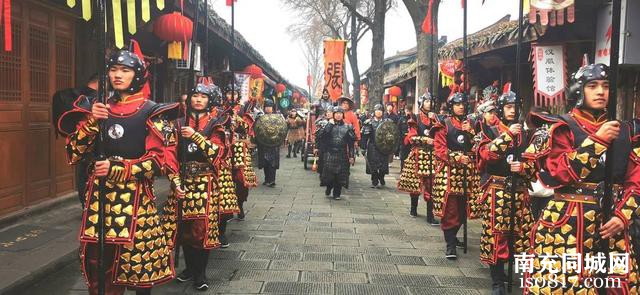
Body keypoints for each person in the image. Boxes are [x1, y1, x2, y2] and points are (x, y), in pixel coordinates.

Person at [57, 46, 179, 295]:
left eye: (125, 70)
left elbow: (159, 162)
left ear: (137, 75)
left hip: (137, 198)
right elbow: (74, 153)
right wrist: (92, 122)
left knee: (139, 269)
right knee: (99, 268)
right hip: (100, 199)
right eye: (113, 69)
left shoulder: (152, 111)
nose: (118, 75)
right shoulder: (96, 107)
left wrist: (117, 168)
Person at [523, 63, 639, 294]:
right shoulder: (561, 127)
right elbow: (559, 172)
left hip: (611, 222)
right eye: (592, 86)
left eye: (606, 86)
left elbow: (635, 181)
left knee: (617, 285)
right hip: (567, 222)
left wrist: (623, 216)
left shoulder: (627, 131)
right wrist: (598, 140)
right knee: (563, 285)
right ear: (579, 90)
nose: (600, 92)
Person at [169, 79, 227, 291]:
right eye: (195, 96)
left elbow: (218, 153)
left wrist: (196, 136)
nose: (199, 99)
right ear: (189, 99)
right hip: (182, 179)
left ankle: (200, 273)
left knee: (201, 230)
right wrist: (174, 178)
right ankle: (190, 268)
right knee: (183, 227)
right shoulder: (177, 123)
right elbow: (169, 154)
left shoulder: (215, 124)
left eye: (203, 97)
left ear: (209, 100)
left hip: (205, 181)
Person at [476, 91, 536, 294]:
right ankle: (497, 280)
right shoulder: (489, 130)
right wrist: (508, 134)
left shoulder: (526, 134)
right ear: (501, 109)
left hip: (519, 190)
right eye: (508, 107)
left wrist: (524, 168)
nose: (512, 110)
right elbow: (487, 156)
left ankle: (514, 273)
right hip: (497, 189)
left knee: (522, 235)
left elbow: (534, 163)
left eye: (515, 106)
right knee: (497, 235)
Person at [431, 93, 482, 260]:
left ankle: (454, 235)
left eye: (463, 104)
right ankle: (450, 243)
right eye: (457, 104)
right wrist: (458, 157)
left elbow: (481, 146)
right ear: (451, 106)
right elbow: (439, 149)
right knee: (450, 209)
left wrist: (472, 133)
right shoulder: (443, 124)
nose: (461, 106)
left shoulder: (473, 123)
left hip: (468, 171)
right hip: (449, 171)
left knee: (463, 209)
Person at [52, 74, 98, 208]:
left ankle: (86, 205)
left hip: (83, 153)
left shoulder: (75, 97)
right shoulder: (90, 101)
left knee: (84, 180)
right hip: (91, 150)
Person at [398, 94, 440, 224]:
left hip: (433, 155)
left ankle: (430, 215)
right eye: (426, 101)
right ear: (421, 103)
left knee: (431, 185)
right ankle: (413, 208)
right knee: (415, 184)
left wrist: (436, 121)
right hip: (418, 153)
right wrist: (424, 139)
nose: (429, 103)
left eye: (430, 101)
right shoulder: (415, 118)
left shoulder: (436, 118)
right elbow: (411, 137)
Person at [318, 106, 356, 200]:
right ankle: (329, 187)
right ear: (333, 115)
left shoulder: (348, 127)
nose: (338, 115)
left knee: (340, 175)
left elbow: (351, 144)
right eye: (336, 113)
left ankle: (337, 193)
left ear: (343, 115)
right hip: (330, 153)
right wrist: (329, 125)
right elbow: (321, 136)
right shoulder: (327, 125)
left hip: (342, 154)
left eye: (340, 113)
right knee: (329, 175)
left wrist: (351, 156)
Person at [361, 104, 391, 188]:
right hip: (372, 146)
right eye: (377, 110)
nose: (378, 112)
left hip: (384, 147)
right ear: (374, 112)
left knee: (383, 165)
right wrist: (363, 147)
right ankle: (374, 180)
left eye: (380, 110)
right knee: (373, 165)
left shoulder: (387, 122)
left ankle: (381, 177)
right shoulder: (369, 122)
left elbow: (392, 134)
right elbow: (364, 136)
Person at [256, 99, 281, 187]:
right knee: (265, 162)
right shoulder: (260, 117)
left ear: (272, 108)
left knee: (272, 163)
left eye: (269, 107)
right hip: (263, 143)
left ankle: (272, 180)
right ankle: (267, 179)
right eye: (266, 107)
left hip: (273, 143)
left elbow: (281, 130)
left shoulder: (277, 118)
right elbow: (257, 129)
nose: (268, 109)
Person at [314, 105, 333, 177]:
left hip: (332, 146)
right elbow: (317, 136)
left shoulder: (336, 123)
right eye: (327, 112)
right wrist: (316, 147)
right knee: (322, 161)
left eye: (330, 112)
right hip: (322, 145)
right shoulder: (321, 122)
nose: (328, 114)